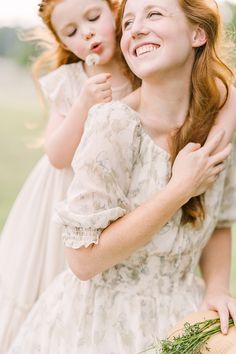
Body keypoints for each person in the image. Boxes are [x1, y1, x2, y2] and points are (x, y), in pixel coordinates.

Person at [5, 0, 236, 354]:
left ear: (197, 33)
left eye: (154, 13)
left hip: (182, 313)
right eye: (127, 23)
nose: (136, 28)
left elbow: (220, 219)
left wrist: (217, 288)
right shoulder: (112, 122)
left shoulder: (220, 123)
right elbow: (82, 261)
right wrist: (179, 189)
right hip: (98, 326)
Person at [0, 0, 138, 352]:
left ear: (115, 12)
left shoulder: (141, 69)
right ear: (63, 44)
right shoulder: (71, 82)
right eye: (72, 32)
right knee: (53, 281)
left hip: (117, 196)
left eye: (93, 17)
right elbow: (57, 155)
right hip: (62, 197)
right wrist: (83, 105)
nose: (87, 32)